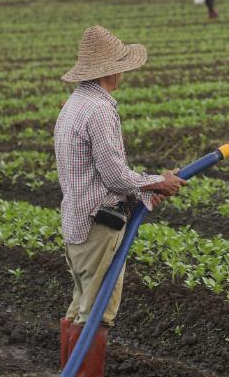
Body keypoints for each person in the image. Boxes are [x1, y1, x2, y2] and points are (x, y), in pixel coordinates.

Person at [55, 25, 186, 376]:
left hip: (77, 221)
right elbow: (114, 176)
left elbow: (98, 175)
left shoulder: (74, 105)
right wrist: (159, 181)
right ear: (112, 69)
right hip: (99, 227)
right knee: (97, 314)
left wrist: (146, 191)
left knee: (80, 308)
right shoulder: (99, 110)